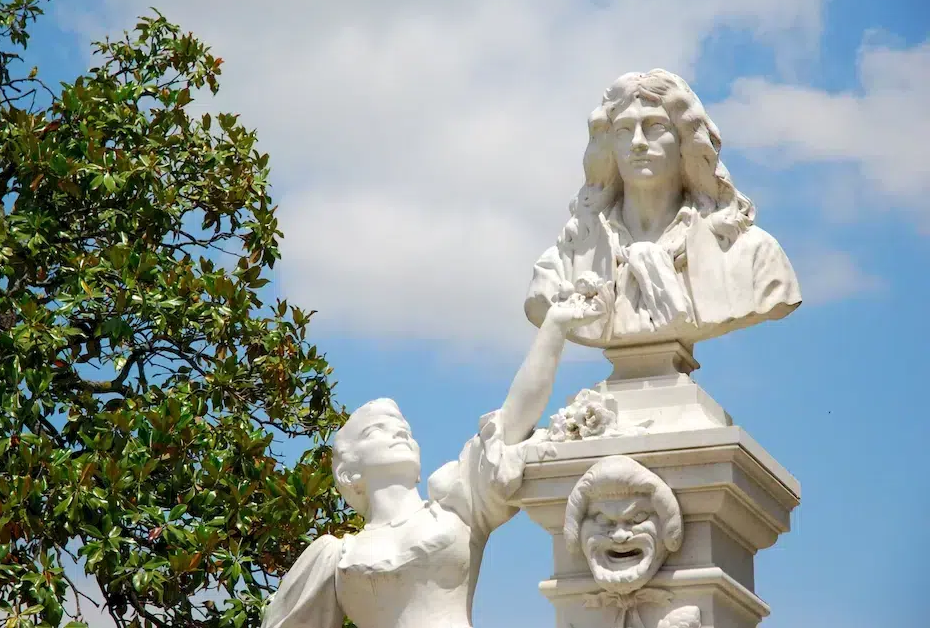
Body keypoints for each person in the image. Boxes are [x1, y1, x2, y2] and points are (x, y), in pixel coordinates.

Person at [260, 289, 610, 628]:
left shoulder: (456, 504)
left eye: (404, 428)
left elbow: (514, 419)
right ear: (350, 473)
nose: (400, 433)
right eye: (377, 430)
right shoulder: (335, 557)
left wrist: (553, 328)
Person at [525, 69, 801, 348]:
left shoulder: (752, 254)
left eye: (655, 127)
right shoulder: (562, 265)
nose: (638, 143)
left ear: (686, 140)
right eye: (623, 130)